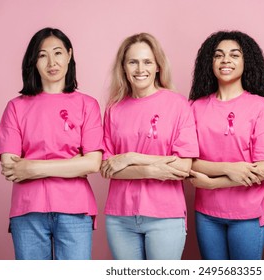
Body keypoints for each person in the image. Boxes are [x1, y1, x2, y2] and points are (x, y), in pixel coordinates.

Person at [0, 28, 104, 260]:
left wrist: (33, 167)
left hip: (75, 210)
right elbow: (11, 167)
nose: (52, 62)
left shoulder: (88, 105)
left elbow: (93, 163)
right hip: (27, 210)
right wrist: (72, 164)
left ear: (69, 55)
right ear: (33, 61)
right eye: (42, 55)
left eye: (58, 53)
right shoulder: (16, 107)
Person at [100, 33, 199, 260]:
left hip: (165, 215)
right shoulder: (114, 108)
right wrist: (151, 169)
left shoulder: (178, 105)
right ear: (123, 67)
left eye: (147, 61)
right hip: (120, 217)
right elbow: (107, 167)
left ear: (157, 66)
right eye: (132, 62)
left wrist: (129, 157)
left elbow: (183, 167)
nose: (139, 69)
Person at [188, 31, 264, 260]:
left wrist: (212, 184)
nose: (225, 61)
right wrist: (230, 169)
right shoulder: (194, 107)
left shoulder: (260, 106)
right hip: (206, 215)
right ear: (209, 62)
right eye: (218, 55)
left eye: (234, 55)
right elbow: (187, 163)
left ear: (245, 61)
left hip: (248, 214)